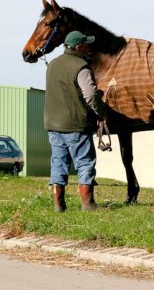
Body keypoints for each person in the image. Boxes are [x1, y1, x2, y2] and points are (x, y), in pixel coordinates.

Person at [44, 30, 108, 212]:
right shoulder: (81, 66)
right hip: (75, 125)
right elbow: (90, 95)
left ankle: (58, 205)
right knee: (85, 162)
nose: (89, 47)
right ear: (79, 47)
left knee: (58, 163)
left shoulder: (53, 65)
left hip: (53, 125)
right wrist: (102, 112)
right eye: (87, 44)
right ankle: (88, 204)